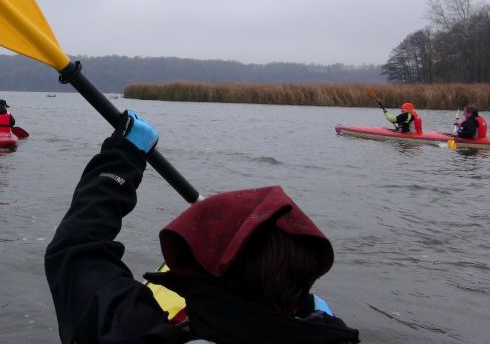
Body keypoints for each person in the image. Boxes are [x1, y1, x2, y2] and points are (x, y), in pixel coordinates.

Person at [45, 111, 360, 344]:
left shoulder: (133, 331)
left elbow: (77, 250)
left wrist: (121, 157)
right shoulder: (337, 334)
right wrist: (305, 308)